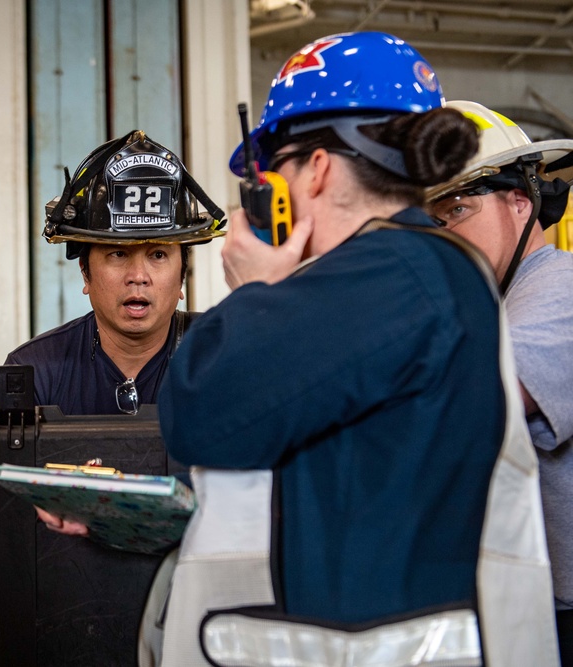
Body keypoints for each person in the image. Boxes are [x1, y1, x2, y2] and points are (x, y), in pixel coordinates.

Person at [156, 32, 557, 665]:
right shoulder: (402, 276)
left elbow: (200, 408)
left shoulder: (394, 274)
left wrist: (257, 291)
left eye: (273, 172)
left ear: (314, 169)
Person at [426, 100, 573, 664]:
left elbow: (475, 403)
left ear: (520, 200)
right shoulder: (491, 306)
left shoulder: (558, 289)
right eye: (431, 222)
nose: (445, 237)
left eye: (457, 210)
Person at [0, 130, 225, 415]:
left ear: (182, 277)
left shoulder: (224, 357)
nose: (138, 276)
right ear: (85, 272)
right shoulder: (34, 372)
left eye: (158, 255)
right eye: (118, 253)